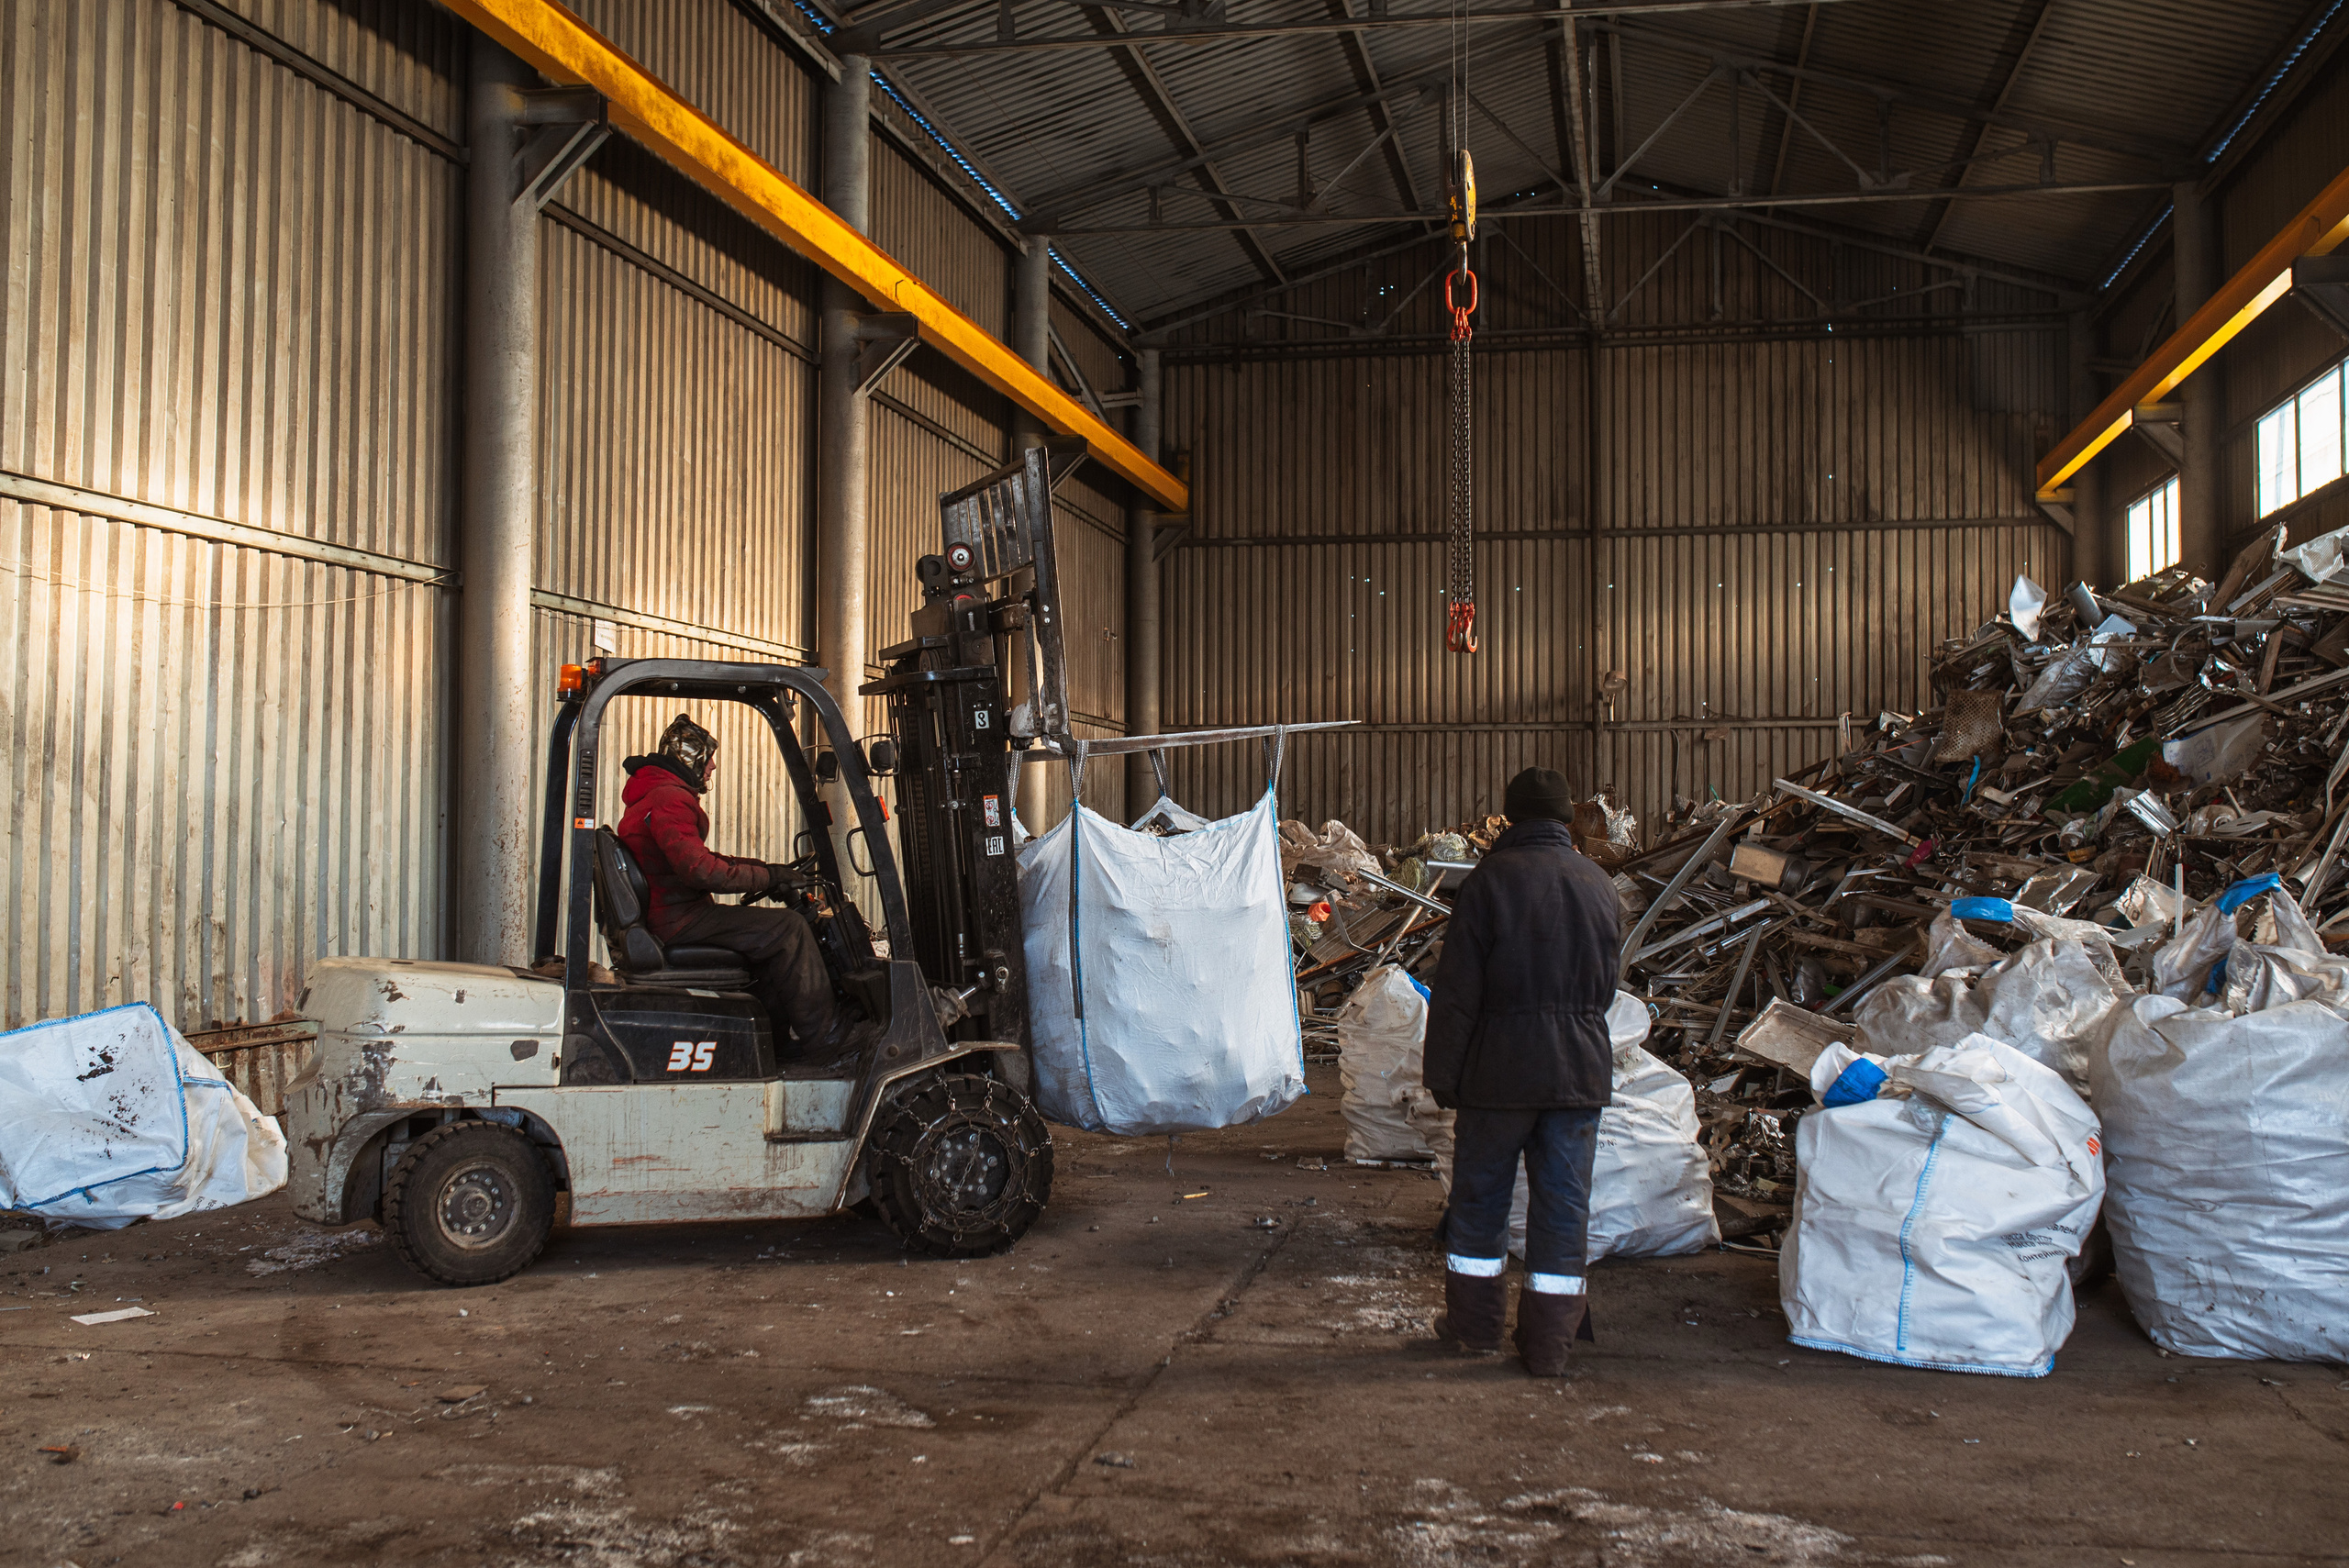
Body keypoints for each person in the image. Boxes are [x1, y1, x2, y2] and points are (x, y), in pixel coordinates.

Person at [1421, 765, 1621, 1376]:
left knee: (1480, 1204)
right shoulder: (1599, 884)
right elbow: (1606, 988)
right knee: (1563, 1209)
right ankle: (1548, 1347)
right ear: (1566, 819)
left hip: (1497, 1076)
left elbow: (1457, 992)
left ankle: (1476, 1328)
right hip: (1577, 1075)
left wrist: (1444, 1075)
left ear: (1510, 818)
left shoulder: (1488, 883)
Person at [618, 713, 863, 1059]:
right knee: (789, 930)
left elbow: (701, 857)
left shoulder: (655, 795)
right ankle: (827, 1036)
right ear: (689, 758)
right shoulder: (668, 799)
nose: (713, 766)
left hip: (674, 913)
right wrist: (768, 878)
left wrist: (766, 870)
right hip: (679, 920)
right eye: (708, 757)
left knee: (765, 948)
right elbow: (700, 871)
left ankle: (774, 1044)